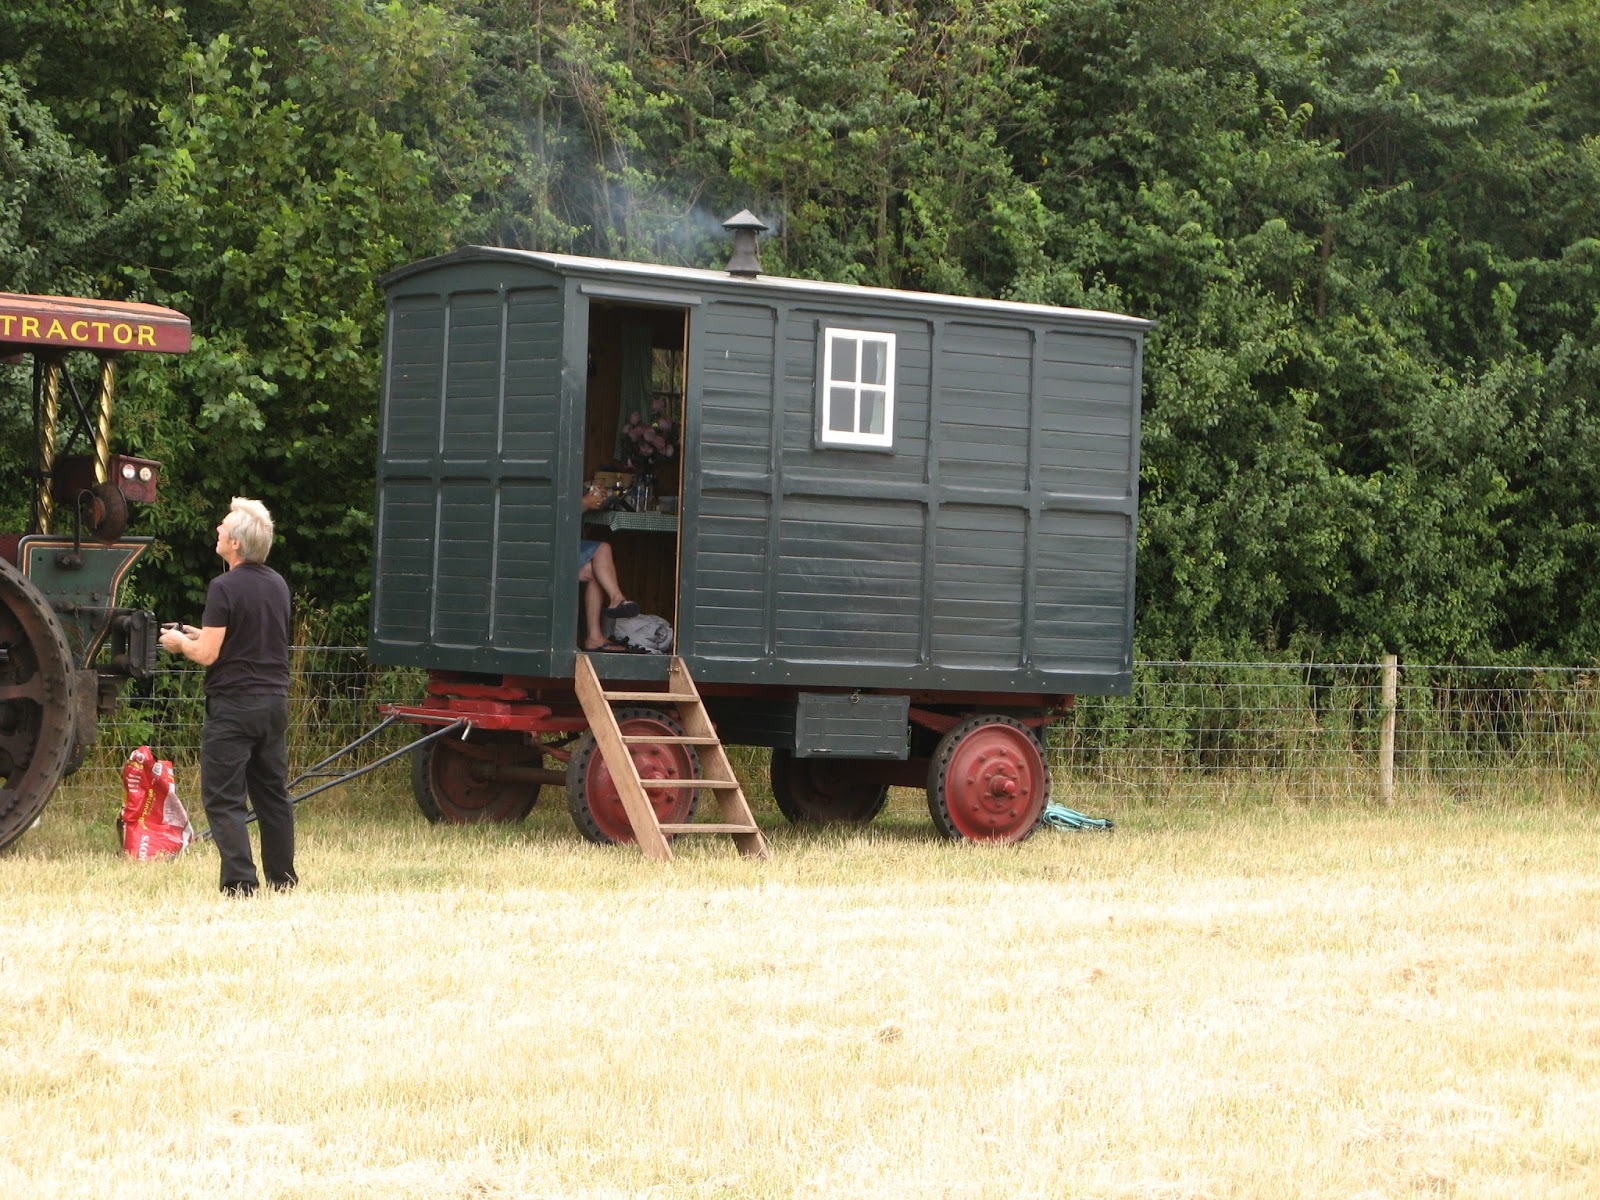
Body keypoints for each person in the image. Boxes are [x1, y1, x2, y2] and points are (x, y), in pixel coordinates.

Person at [158, 497, 295, 896]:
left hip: (234, 707)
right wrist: (199, 635)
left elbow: (208, 655)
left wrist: (180, 643)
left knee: (224, 798)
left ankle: (240, 882)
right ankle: (282, 880)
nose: (217, 530)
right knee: (272, 795)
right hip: (273, 703)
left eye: (222, 527)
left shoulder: (223, 587)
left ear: (235, 543)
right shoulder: (278, 584)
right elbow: (250, 640)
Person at [580, 482, 639, 651]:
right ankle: (617, 599)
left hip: (562, 544)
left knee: (595, 569)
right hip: (545, 548)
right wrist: (584, 502)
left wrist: (591, 495)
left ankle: (594, 637)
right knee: (602, 550)